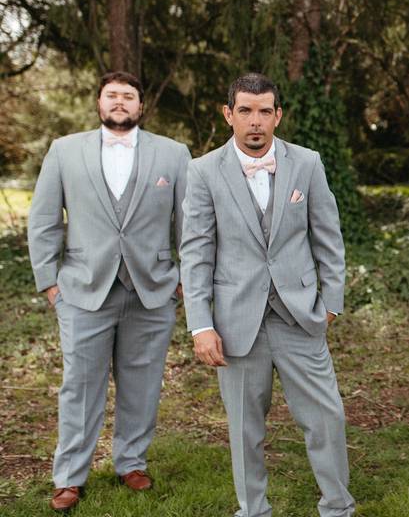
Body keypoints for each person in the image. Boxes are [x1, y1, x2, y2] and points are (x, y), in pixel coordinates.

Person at [179, 73, 355, 517]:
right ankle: (252, 509)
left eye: (263, 111)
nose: (254, 122)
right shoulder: (202, 172)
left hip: (300, 317)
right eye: (244, 111)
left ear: (277, 115)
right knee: (244, 428)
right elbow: (196, 253)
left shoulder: (307, 163)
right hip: (237, 322)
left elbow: (328, 237)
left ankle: (337, 506)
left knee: (326, 418)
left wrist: (331, 302)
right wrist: (201, 324)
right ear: (228, 114)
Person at [27, 71, 190, 512]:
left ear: (141, 106)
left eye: (129, 96)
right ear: (99, 102)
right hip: (82, 291)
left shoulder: (173, 155)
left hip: (152, 292)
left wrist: (182, 280)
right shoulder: (65, 151)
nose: (120, 102)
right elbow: (43, 220)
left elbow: (190, 225)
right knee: (79, 386)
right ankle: (69, 476)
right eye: (112, 95)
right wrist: (50, 283)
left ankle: (131, 462)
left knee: (142, 383)